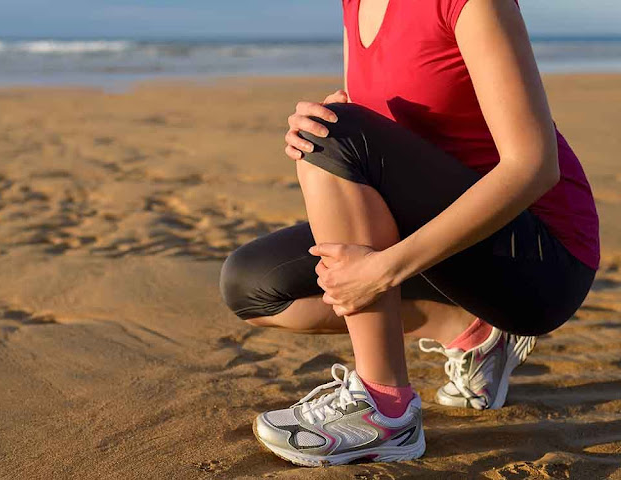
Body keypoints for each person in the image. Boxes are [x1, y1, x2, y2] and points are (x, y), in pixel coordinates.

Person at [220, 0, 599, 467]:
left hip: (541, 256)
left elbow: (535, 167)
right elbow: (386, 135)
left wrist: (384, 268)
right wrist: (330, 117)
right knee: (252, 285)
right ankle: (471, 333)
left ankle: (385, 411)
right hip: (447, 239)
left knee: (336, 137)